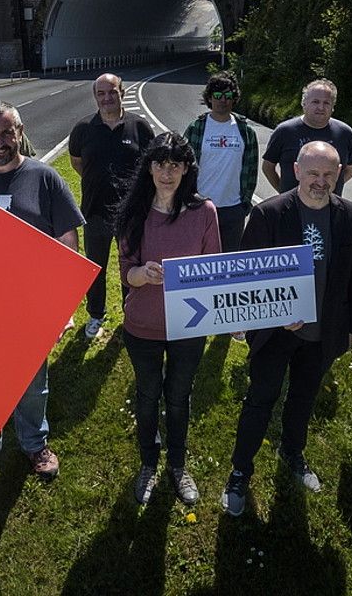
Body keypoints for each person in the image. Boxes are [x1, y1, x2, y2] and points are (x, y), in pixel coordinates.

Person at [0, 102, 83, 507]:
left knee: (30, 384)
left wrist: (62, 302)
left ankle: (33, 443)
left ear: (20, 132)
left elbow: (67, 242)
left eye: (7, 133)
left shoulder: (44, 178)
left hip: (29, 304)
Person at [221, 141, 352, 516]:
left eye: (329, 175)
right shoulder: (270, 214)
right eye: (314, 173)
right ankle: (240, 471)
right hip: (276, 333)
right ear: (297, 171)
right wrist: (273, 315)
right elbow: (249, 278)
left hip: (324, 331)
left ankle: (292, 452)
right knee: (261, 398)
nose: (320, 182)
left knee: (303, 398)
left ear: (340, 175)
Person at [115, 133, 220, 505]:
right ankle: (148, 462)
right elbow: (125, 270)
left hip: (189, 328)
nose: (167, 172)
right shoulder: (133, 213)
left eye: (176, 164)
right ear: (149, 167)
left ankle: (177, 463)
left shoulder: (204, 212)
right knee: (147, 397)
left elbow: (214, 273)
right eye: (160, 163)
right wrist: (140, 274)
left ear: (187, 169)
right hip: (142, 326)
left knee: (178, 397)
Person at [69, 73, 155, 338]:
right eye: (101, 94)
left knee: (131, 268)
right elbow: (77, 163)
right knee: (96, 269)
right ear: (95, 96)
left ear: (123, 93)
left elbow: (149, 165)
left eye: (112, 93)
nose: (107, 98)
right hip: (95, 213)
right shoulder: (83, 129)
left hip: (130, 214)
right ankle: (96, 315)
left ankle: (133, 314)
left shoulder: (139, 127)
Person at [183, 72, 258, 252]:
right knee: (199, 260)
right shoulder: (196, 128)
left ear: (234, 98)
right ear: (209, 98)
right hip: (199, 207)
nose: (223, 100)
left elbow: (252, 171)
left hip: (233, 210)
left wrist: (244, 204)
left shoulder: (246, 131)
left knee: (228, 266)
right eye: (217, 96)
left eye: (228, 96)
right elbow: (184, 167)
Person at [262, 79, 352, 196]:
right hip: (291, 208)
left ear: (333, 107)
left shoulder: (345, 133)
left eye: (326, 103)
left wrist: (323, 190)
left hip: (331, 209)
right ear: (304, 103)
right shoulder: (285, 131)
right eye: (315, 102)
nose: (321, 107)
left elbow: (350, 169)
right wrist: (285, 193)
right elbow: (268, 167)